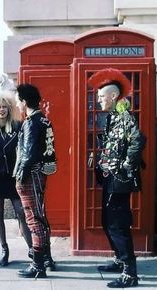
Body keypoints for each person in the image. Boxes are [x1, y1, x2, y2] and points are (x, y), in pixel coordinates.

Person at [88, 68, 146, 288]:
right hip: (109, 177)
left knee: (117, 225)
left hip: (120, 180)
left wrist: (124, 165)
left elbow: (138, 140)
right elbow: (115, 145)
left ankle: (130, 274)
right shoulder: (112, 117)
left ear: (113, 96)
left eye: (102, 97)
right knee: (107, 221)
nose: (99, 100)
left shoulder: (124, 117)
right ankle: (118, 260)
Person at [0, 89, 33, 266]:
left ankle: (31, 248)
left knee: (21, 210)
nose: (2, 110)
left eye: (5, 106)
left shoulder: (18, 126)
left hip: (14, 176)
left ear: (10, 108)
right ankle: (4, 249)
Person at [14, 83, 57, 278]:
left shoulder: (31, 122)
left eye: (18, 100)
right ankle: (46, 258)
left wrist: (20, 177)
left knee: (33, 219)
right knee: (40, 216)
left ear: (24, 101)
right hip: (41, 174)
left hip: (30, 176)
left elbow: (28, 153)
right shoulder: (44, 120)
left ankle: (38, 265)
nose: (17, 103)